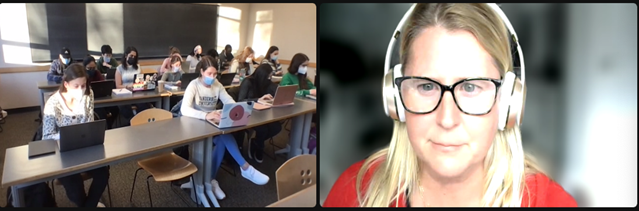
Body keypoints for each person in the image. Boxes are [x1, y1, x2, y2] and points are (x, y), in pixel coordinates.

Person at [322, 3, 577, 207]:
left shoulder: (551, 203)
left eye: (470, 87)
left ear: (508, 100)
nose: (446, 119)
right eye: (426, 86)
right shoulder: (354, 193)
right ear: (396, 98)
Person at [180, 55, 269, 200]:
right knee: (224, 136)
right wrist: (206, 115)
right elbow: (185, 110)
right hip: (194, 126)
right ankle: (244, 168)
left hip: (211, 125)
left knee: (223, 138)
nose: (213, 77)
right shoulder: (193, 85)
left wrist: (230, 111)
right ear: (201, 72)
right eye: (209, 74)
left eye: (215, 74)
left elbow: (230, 101)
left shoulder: (217, 85)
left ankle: (209, 180)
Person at [42, 63, 109, 207]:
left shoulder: (88, 94)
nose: (81, 89)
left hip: (84, 148)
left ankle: (88, 205)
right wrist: (65, 136)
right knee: (75, 186)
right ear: (66, 84)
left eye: (83, 85)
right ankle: (90, 204)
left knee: (103, 173)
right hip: (63, 154)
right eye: (76, 86)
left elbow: (89, 121)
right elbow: (46, 136)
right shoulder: (53, 103)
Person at [237, 64, 281, 163]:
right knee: (263, 129)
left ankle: (256, 141)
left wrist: (277, 93)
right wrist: (258, 99)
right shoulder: (248, 82)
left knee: (277, 127)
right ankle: (259, 147)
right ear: (262, 76)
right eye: (268, 76)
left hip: (263, 112)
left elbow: (275, 90)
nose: (269, 79)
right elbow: (240, 101)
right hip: (249, 112)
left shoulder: (266, 82)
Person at [115, 46, 151, 124]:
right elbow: (118, 85)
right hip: (124, 94)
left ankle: (141, 123)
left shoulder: (138, 67)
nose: (133, 58)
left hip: (138, 93)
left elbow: (142, 80)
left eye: (135, 56)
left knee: (144, 105)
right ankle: (131, 123)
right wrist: (128, 86)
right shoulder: (119, 69)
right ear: (126, 56)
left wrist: (145, 81)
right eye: (131, 56)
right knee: (125, 107)